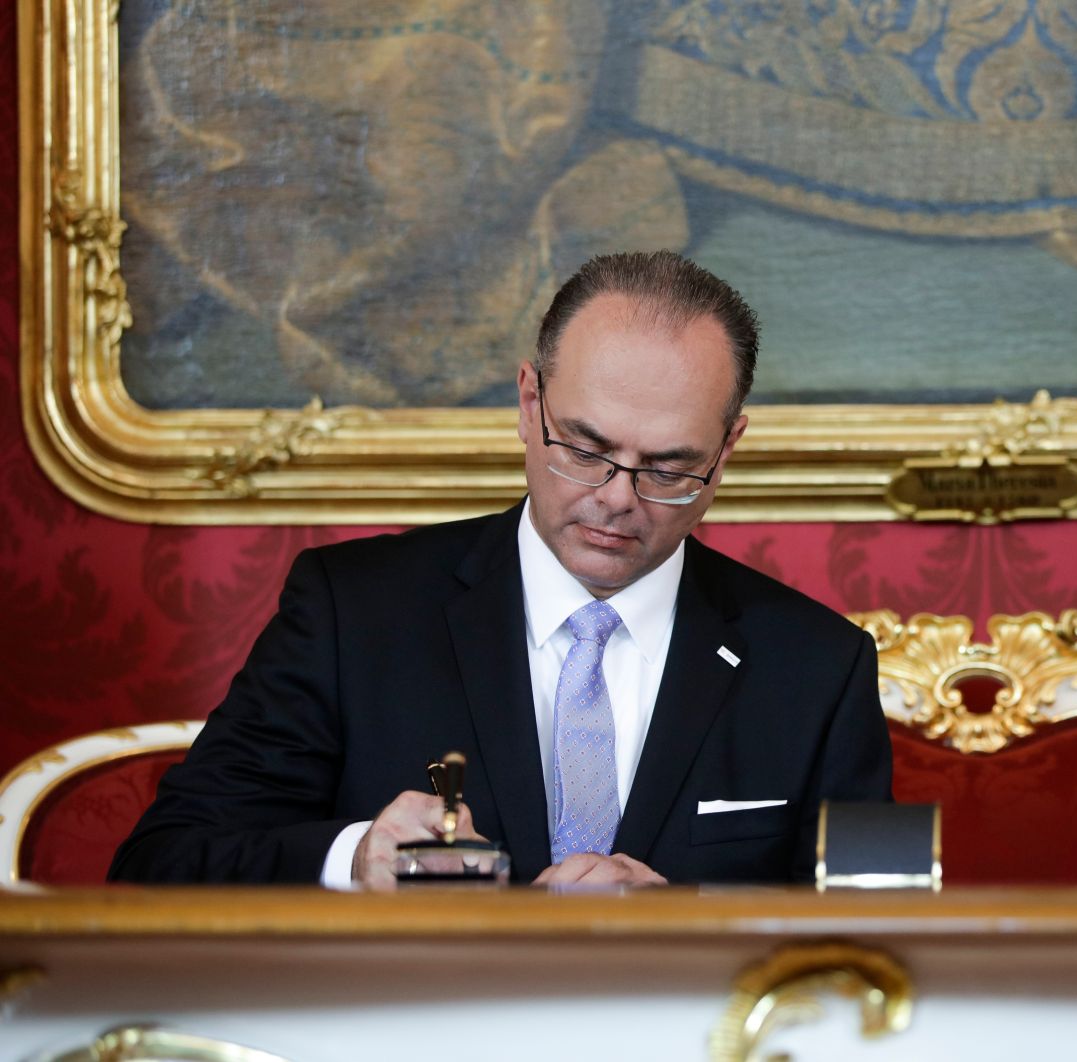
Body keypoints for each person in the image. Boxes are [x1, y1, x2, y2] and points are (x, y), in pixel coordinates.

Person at [111, 251, 893, 890]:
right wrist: (356, 859)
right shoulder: (353, 614)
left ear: (727, 452)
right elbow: (159, 865)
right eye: (585, 450)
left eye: (669, 467)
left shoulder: (821, 666)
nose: (617, 499)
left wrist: (688, 927)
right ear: (529, 404)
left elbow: (879, 928)